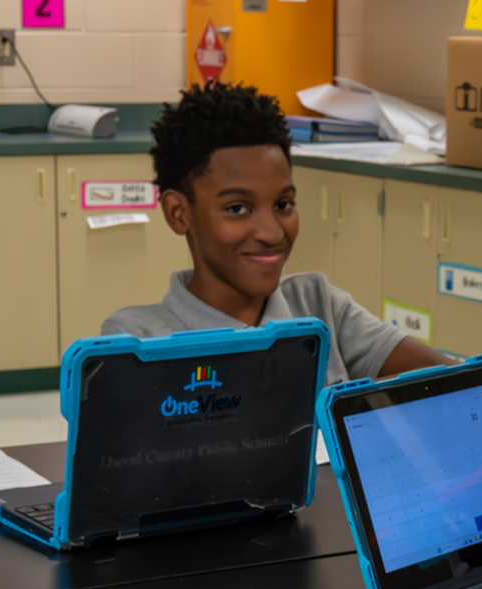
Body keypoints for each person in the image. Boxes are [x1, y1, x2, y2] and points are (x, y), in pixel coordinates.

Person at [102, 82, 452, 383]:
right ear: (179, 213)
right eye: (237, 208)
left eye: (283, 204)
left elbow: (453, 381)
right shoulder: (137, 340)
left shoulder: (318, 305)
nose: (271, 233)